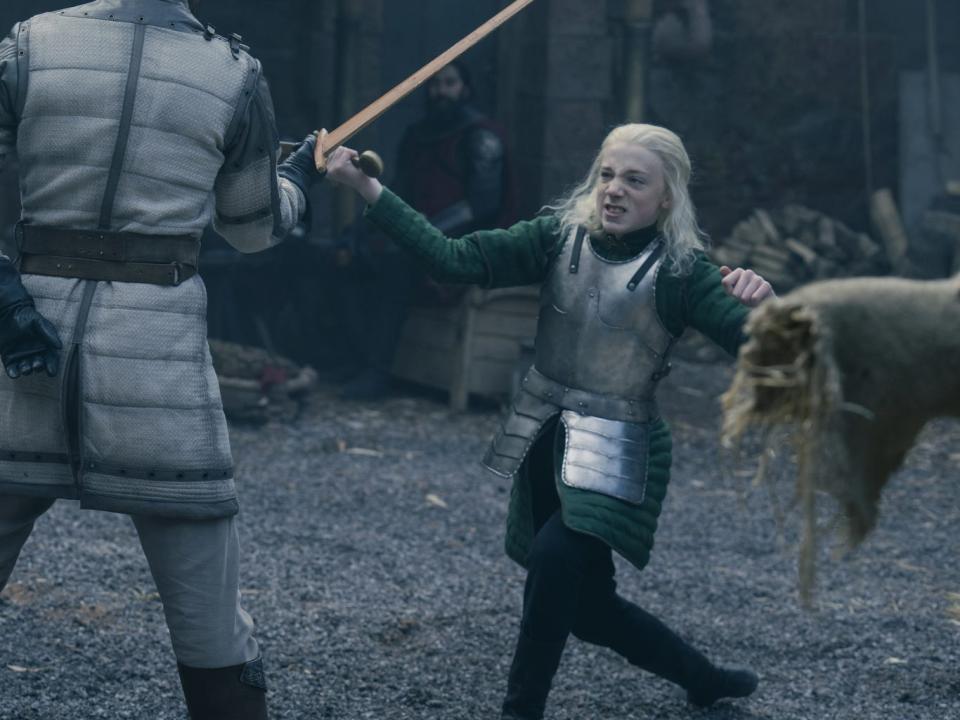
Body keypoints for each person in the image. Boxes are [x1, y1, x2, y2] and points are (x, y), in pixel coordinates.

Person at [326, 123, 773, 719]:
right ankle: (704, 678)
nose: (614, 190)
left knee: (557, 560)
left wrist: (767, 310)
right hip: (543, 435)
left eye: (635, 180)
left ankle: (520, 711)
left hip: (621, 448)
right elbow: (452, 259)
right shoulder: (556, 238)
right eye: (606, 174)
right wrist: (365, 187)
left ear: (666, 198)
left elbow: (758, 348)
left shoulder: (683, 272)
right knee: (588, 608)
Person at [0, 1, 322, 718]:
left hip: (26, 352)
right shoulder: (231, 72)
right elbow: (252, 226)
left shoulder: (30, 45)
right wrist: (301, 178)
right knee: (212, 629)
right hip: (157, 365)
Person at [334, 60, 517, 400]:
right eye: (435, 84)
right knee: (350, 254)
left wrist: (422, 235)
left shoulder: (483, 137)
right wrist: (359, 231)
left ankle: (378, 372)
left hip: (463, 246)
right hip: (415, 235)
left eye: (449, 83)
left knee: (394, 264)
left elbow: (481, 206)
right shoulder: (418, 136)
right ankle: (357, 359)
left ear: (465, 88)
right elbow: (397, 190)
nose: (441, 91)